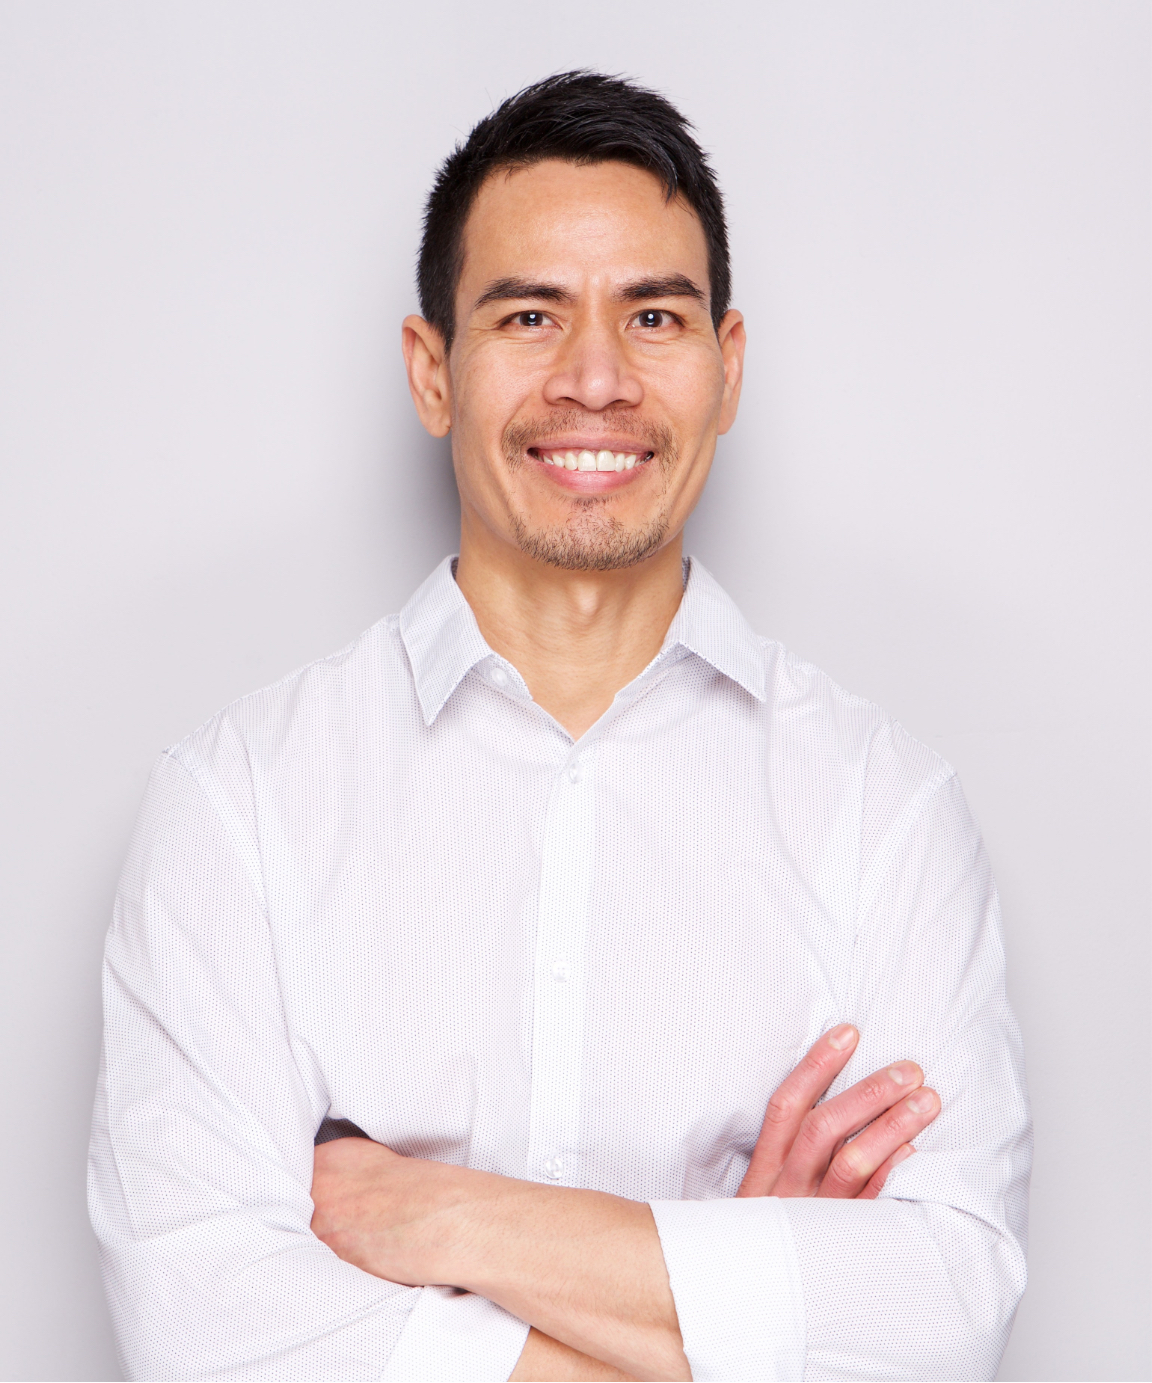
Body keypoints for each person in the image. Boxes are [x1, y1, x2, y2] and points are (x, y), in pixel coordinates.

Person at [88, 71, 1031, 1382]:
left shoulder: (886, 813)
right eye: (529, 315)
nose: (597, 379)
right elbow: (206, 1339)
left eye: (654, 314)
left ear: (727, 365)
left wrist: (445, 1218)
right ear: (434, 371)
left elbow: (942, 1319)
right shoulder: (241, 805)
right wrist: (730, 1308)